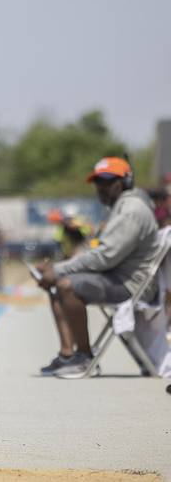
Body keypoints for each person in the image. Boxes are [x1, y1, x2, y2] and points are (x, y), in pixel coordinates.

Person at [36, 157, 160, 378]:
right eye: (97, 183)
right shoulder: (120, 206)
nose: (99, 188)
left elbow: (105, 257)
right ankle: (67, 354)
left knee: (66, 284)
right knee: (57, 281)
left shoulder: (131, 211)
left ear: (120, 184)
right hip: (116, 277)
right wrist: (59, 267)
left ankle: (84, 357)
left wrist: (60, 269)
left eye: (104, 182)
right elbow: (101, 252)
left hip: (132, 284)